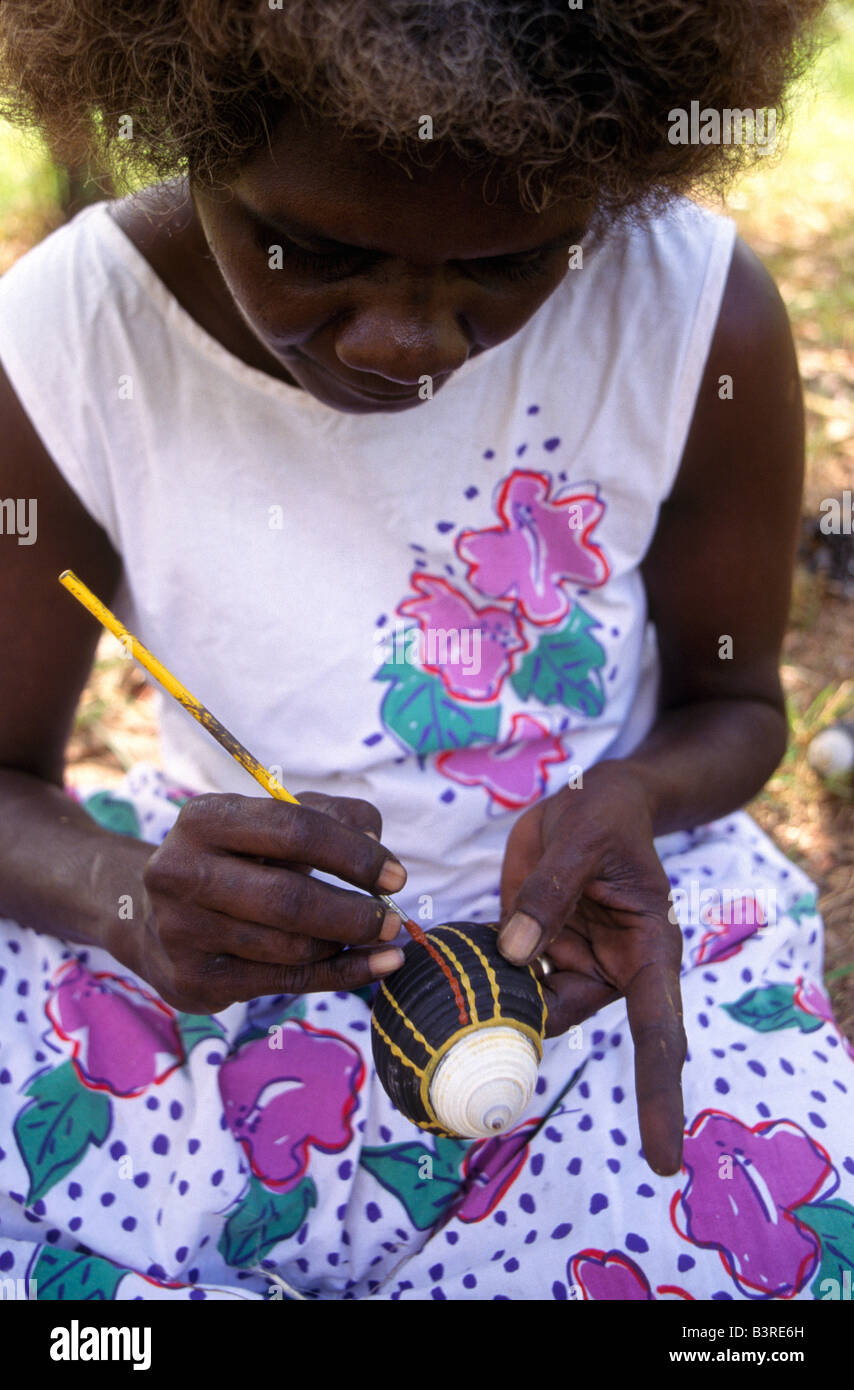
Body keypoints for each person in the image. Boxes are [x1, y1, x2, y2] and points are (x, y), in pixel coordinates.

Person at [0, 0, 848, 1302]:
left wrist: (633, 792)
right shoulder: (70, 339)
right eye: (310, 251)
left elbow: (732, 702)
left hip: (595, 954)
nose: (406, 343)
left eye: (508, 265)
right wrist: (126, 896)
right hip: (213, 944)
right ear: (193, 130)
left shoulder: (697, 318)